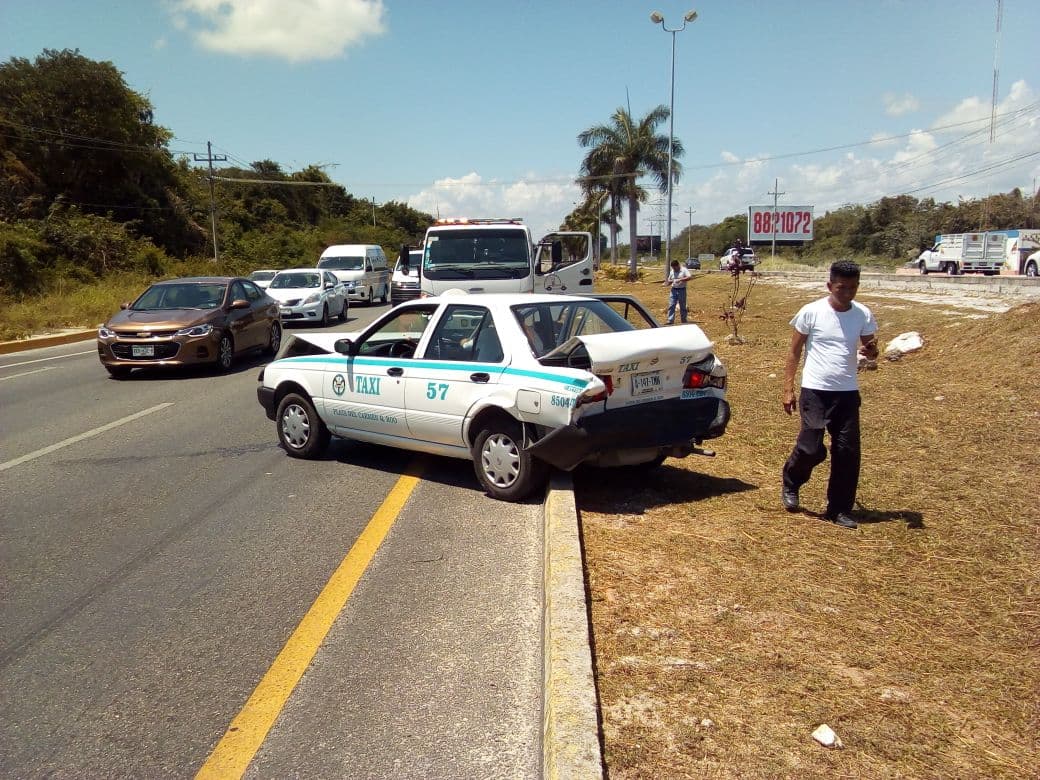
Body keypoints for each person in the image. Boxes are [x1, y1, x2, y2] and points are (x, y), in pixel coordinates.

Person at [781, 260, 879, 530]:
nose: (847, 293)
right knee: (811, 448)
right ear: (829, 286)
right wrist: (788, 388)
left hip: (847, 392)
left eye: (853, 287)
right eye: (841, 287)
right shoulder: (811, 312)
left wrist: (872, 351)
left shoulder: (862, 314)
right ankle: (791, 481)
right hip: (815, 390)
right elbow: (794, 352)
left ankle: (839, 509)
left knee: (847, 452)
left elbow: (871, 348)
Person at [662, 259, 691, 324]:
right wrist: (666, 284)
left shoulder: (684, 270)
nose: (674, 269)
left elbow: (689, 277)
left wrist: (680, 279)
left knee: (682, 306)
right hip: (673, 290)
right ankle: (670, 320)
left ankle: (684, 320)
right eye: (673, 268)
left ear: (678, 265)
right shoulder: (672, 271)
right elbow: (670, 281)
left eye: (675, 267)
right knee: (671, 305)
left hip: (682, 290)